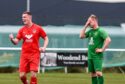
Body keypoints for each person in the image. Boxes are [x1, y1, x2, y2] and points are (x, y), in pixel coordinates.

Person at [9, 11, 49, 84]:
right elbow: (16, 42)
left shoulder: (38, 28)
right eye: (22, 17)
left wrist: (44, 47)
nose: (23, 19)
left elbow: (46, 38)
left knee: (33, 75)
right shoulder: (21, 30)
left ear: (30, 17)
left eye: (24, 17)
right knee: (22, 76)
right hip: (24, 55)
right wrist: (12, 39)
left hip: (34, 54)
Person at [80, 14, 111, 84]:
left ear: (95, 21)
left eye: (90, 21)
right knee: (93, 74)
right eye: (88, 21)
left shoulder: (101, 31)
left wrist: (102, 50)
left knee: (99, 73)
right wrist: (85, 25)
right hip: (90, 56)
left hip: (97, 56)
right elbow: (81, 36)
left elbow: (108, 40)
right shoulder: (90, 31)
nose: (88, 23)